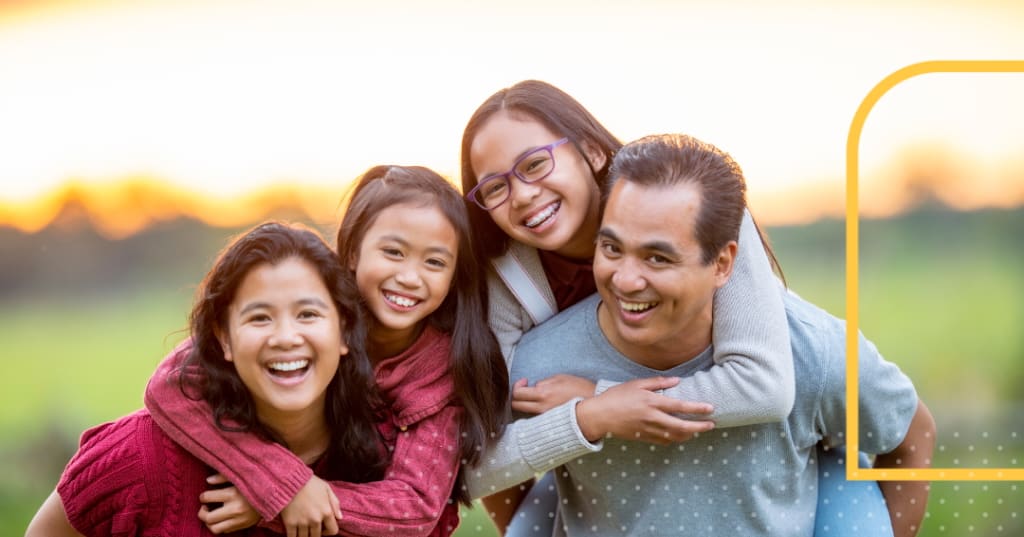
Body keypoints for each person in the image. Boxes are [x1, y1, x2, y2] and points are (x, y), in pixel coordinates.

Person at [508, 133, 936, 537]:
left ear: (723, 264)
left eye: (658, 258)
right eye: (612, 249)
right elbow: (484, 468)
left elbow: (912, 437)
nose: (625, 280)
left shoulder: (812, 352)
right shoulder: (543, 366)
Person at [458, 80, 795, 531]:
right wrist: (592, 417)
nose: (521, 195)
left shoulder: (692, 199)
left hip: (766, 457)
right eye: (495, 188)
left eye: (536, 164)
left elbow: (765, 387)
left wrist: (595, 396)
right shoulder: (505, 276)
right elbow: (479, 460)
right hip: (602, 479)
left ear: (593, 151)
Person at [142, 166, 510, 536]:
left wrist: (280, 503)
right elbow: (171, 385)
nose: (410, 277)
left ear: (453, 275)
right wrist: (282, 483)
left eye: (434, 262)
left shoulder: (438, 372)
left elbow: (414, 507)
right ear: (351, 252)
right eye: (393, 252)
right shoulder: (312, 310)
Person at [24, 221, 388, 537]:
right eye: (259, 318)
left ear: (343, 330)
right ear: (223, 338)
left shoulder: (386, 457)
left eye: (307, 314)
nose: (285, 337)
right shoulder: (142, 454)